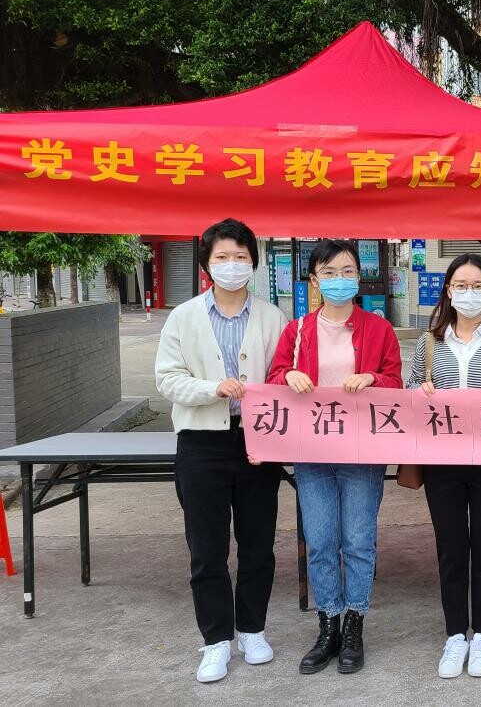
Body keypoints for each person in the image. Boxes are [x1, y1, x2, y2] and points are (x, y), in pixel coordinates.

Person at [155, 218, 287, 683]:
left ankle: (252, 629)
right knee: (207, 548)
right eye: (223, 257)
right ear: (207, 265)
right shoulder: (183, 316)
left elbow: (283, 378)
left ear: (254, 262)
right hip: (201, 444)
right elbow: (167, 379)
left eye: (241, 257)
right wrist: (212, 388)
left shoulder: (272, 317)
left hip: (257, 444)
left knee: (258, 544)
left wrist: (275, 434)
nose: (233, 265)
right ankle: (215, 640)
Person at [266, 239, 402, 676]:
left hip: (362, 450)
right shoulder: (298, 330)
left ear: (358, 277)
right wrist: (289, 375)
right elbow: (274, 378)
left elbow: (396, 383)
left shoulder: (379, 329)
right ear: (314, 280)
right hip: (312, 451)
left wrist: (373, 378)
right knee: (321, 541)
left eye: (347, 271)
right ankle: (328, 626)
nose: (339, 280)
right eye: (329, 273)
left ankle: (354, 624)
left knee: (358, 541)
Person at [405, 254, 481, 679]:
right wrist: (420, 390)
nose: (469, 293)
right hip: (443, 461)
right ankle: (455, 634)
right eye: (461, 285)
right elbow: (410, 390)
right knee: (451, 548)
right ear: (448, 290)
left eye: (478, 285)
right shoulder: (429, 342)